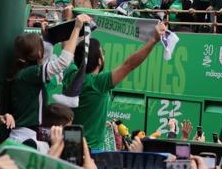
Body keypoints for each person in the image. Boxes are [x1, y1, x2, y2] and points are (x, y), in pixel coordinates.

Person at [63, 22, 166, 150]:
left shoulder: (70, 74)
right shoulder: (97, 83)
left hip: (68, 146)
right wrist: (153, 40)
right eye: (103, 52)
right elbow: (129, 65)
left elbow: (67, 50)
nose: (104, 54)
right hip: (90, 151)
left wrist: (72, 23)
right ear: (99, 61)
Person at [7, 14, 91, 147]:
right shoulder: (29, 73)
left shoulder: (27, 71)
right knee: (72, 144)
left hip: (33, 134)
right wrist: (76, 28)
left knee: (73, 139)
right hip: (26, 138)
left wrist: (46, 38)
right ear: (38, 53)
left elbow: (44, 57)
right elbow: (62, 62)